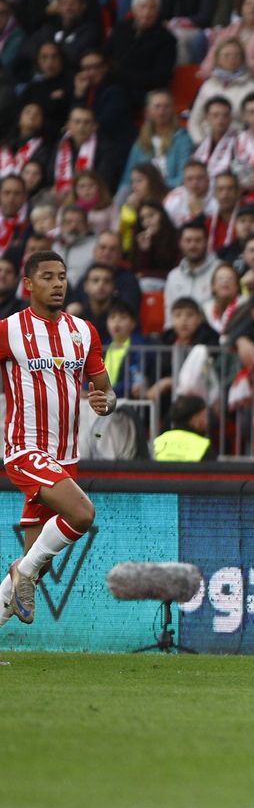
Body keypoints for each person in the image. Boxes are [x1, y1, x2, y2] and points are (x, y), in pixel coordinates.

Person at [0, 252, 114, 627]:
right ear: (29, 285)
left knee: (38, 562)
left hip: (65, 456)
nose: (58, 283)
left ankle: (23, 572)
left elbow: (107, 393)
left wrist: (104, 401)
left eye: (62, 276)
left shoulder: (84, 331)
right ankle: (23, 571)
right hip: (25, 448)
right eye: (48, 277)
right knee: (82, 514)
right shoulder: (9, 330)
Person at [152, 394, 212, 462]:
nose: (207, 421)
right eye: (205, 416)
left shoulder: (158, 442)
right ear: (194, 419)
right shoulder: (203, 446)